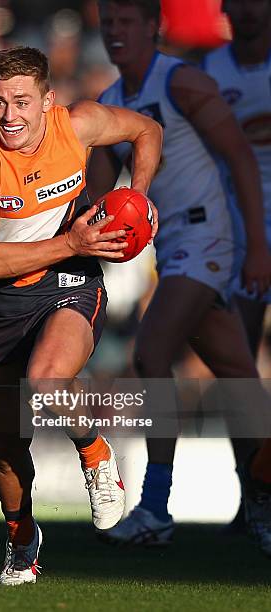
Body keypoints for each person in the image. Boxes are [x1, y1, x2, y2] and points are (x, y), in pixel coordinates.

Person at [0, 46, 162, 585]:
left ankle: (96, 455)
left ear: (48, 101)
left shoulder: (79, 124)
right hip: (7, 300)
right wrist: (72, 240)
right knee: (6, 446)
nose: (10, 117)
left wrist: (136, 198)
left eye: (22, 102)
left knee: (46, 383)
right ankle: (23, 538)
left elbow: (146, 131)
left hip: (73, 285)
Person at [87, 0, 271, 550]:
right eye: (108, 23)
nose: (116, 32)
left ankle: (155, 504)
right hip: (174, 248)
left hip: (213, 239)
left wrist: (256, 245)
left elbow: (239, 156)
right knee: (239, 377)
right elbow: (94, 196)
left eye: (127, 21)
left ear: (152, 27)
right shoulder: (111, 104)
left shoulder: (183, 81)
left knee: (151, 351)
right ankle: (261, 503)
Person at [202, 0, 271, 544]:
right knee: (237, 373)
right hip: (239, 242)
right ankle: (252, 497)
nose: (248, 10)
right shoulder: (208, 72)